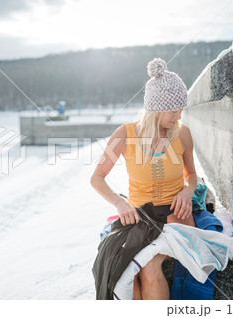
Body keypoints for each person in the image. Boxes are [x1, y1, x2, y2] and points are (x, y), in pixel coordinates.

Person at [90, 57, 198, 300]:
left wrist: (187, 191)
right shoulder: (124, 134)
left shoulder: (183, 135)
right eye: (174, 110)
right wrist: (120, 202)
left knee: (148, 267)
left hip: (175, 214)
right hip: (140, 216)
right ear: (157, 108)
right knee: (120, 270)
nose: (179, 116)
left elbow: (191, 174)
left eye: (181, 110)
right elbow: (97, 178)